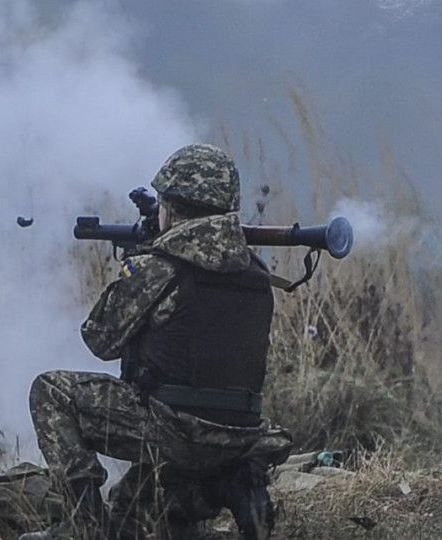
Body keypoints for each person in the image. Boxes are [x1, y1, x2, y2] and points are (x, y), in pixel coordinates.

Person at [20, 144, 294, 540]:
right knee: (129, 518)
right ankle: (234, 485)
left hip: (173, 431)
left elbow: (100, 340)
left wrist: (135, 268)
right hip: (239, 436)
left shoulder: (159, 266)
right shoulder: (255, 271)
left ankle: (82, 527)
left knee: (50, 390)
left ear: (171, 207)